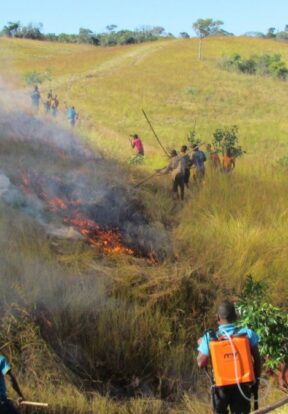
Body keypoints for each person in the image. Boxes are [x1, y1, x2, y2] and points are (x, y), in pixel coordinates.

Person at [197, 301, 262, 414]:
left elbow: (201, 363)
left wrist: (202, 344)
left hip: (220, 389)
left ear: (217, 317)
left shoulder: (210, 337)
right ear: (236, 317)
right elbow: (257, 360)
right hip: (242, 386)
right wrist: (256, 380)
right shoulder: (247, 333)